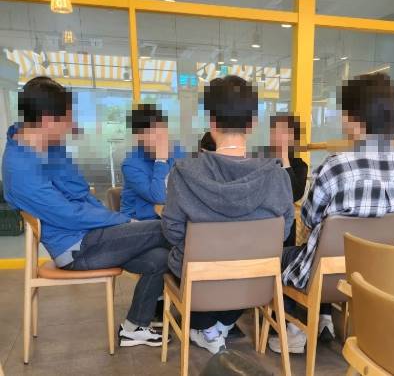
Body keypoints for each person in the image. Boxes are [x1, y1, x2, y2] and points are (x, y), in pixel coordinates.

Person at [2, 77, 170, 348]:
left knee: (160, 257)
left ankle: (134, 327)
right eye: (67, 119)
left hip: (92, 234)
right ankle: (205, 318)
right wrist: (123, 220)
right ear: (47, 120)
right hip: (76, 247)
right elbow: (68, 215)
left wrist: (115, 223)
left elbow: (79, 191)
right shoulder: (20, 168)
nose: (71, 125)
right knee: (170, 227)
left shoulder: (47, 145)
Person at [268, 72, 394, 353]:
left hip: (323, 273)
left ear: (354, 118)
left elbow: (308, 218)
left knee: (281, 256)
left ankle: (295, 329)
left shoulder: (337, 165)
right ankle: (324, 318)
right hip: (373, 273)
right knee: (324, 249)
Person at [162, 75, 294, 354]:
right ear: (252, 123)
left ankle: (208, 328)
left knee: (172, 255)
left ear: (211, 123)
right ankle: (219, 327)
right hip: (254, 284)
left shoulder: (183, 173)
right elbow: (283, 232)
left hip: (199, 283)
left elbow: (172, 231)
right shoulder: (277, 175)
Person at [120, 103, 185, 221]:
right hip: (140, 221)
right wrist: (160, 160)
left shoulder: (178, 152)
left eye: (163, 131)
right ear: (139, 137)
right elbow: (159, 198)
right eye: (153, 133)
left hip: (172, 217)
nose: (161, 139)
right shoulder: (130, 165)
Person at [269, 114, 308, 247]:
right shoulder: (261, 162)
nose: (277, 135)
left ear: (293, 138)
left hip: (285, 225)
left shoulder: (300, 166)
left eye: (283, 132)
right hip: (262, 220)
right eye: (275, 130)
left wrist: (284, 159)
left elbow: (293, 195)